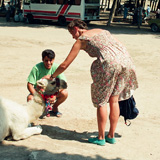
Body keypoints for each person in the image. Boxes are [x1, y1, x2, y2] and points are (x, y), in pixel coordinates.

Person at [45, 19, 138, 145]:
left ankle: (101, 138)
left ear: (76, 29)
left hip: (109, 64)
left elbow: (65, 64)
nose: (73, 37)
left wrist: (52, 76)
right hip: (127, 62)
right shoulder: (102, 31)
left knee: (102, 101)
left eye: (72, 33)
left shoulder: (81, 40)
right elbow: (121, 45)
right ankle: (111, 135)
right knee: (114, 100)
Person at [27, 49, 68, 117]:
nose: (48, 63)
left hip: (52, 92)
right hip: (39, 92)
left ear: (54, 59)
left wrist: (54, 95)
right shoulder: (36, 68)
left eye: (51, 60)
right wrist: (37, 95)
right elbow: (29, 84)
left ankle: (54, 108)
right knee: (30, 98)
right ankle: (37, 112)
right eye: (46, 60)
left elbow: (64, 84)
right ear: (42, 59)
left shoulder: (57, 68)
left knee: (65, 93)